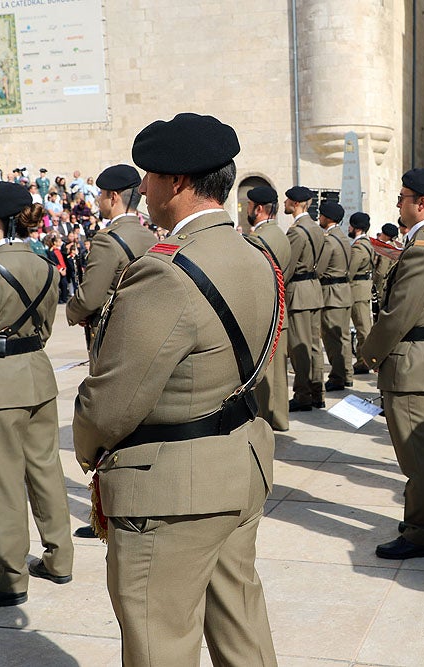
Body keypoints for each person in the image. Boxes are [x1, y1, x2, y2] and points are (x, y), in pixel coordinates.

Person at [72, 112, 278, 666]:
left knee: (159, 640)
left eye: (150, 175)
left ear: (178, 183)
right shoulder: (255, 254)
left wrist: (88, 449)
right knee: (241, 629)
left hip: (173, 488)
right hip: (240, 464)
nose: (143, 187)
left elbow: (112, 400)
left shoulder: (165, 273)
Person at [0, 181, 74, 610]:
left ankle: (9, 576)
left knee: (1, 480)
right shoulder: (46, 266)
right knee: (44, 469)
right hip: (37, 373)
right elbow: (45, 327)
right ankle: (60, 557)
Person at [360, 168, 424, 560]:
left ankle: (420, 532)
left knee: (415, 452)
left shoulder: (421, 249)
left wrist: (369, 354)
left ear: (420, 203)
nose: (397, 203)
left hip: (412, 363)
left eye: (401, 197)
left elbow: (398, 315)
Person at [66, 164, 156, 359]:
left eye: (102, 194)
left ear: (113, 197)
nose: (99, 200)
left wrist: (73, 312)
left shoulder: (106, 239)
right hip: (145, 331)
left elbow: (89, 298)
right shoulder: (151, 237)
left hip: (112, 334)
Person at [245, 185, 293, 433]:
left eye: (249, 206)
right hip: (281, 312)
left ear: (259, 209)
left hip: (266, 314)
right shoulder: (282, 235)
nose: (247, 210)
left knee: (264, 379)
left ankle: (266, 423)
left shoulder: (257, 240)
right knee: (279, 376)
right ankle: (280, 419)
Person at [284, 186, 326, 411]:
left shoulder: (296, 231)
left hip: (299, 291)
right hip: (313, 289)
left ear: (295, 203)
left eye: (287, 200)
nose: (284, 204)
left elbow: (288, 267)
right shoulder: (317, 228)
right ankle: (317, 392)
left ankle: (303, 395)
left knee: (300, 346)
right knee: (313, 345)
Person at [316, 201, 353, 392]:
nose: (319, 218)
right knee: (343, 337)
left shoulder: (329, 240)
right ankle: (346, 374)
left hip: (332, 293)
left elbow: (320, 269)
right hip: (344, 291)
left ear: (327, 217)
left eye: (321, 215)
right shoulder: (343, 238)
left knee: (332, 339)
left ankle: (338, 376)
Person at [347, 212, 375, 377]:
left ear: (356, 228)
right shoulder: (367, 243)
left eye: (350, 225)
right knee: (363, 326)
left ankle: (364, 361)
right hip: (363, 288)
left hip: (357, 289)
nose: (348, 228)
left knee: (362, 328)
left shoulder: (358, 247)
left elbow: (350, 271)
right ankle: (362, 359)